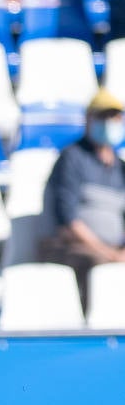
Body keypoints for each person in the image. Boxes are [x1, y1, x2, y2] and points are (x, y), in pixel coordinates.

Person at [37, 87, 125, 306]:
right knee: (96, 262)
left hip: (114, 250)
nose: (109, 122)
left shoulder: (120, 167)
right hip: (71, 247)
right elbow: (68, 221)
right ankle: (93, 327)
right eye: (102, 116)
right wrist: (108, 253)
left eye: (113, 117)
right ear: (88, 119)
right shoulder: (72, 158)